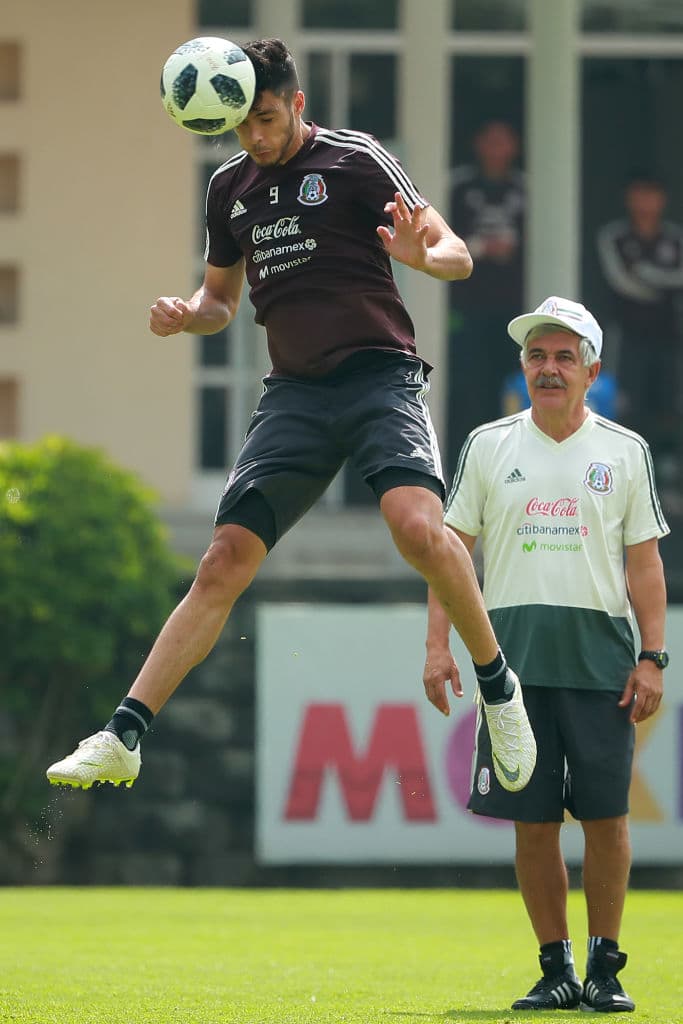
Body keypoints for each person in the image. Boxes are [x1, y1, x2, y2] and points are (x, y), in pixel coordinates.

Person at [46, 39, 535, 796]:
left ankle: (499, 690)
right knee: (221, 561)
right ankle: (124, 735)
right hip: (295, 396)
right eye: (241, 126)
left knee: (415, 529)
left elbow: (457, 253)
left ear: (297, 105)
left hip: (379, 379)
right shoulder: (228, 188)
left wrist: (419, 256)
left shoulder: (356, 159)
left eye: (266, 120)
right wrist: (189, 314)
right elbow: (220, 302)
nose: (255, 138)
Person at [424, 296, 669, 1013]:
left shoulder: (623, 452)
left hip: (599, 665)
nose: (548, 369)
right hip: (511, 675)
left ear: (591, 369)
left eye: (564, 356)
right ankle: (553, 967)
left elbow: (645, 565)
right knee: (531, 825)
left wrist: (652, 655)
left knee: (606, 821)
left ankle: (604, 967)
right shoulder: (488, 445)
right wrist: (438, 645)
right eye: (537, 355)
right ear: (522, 366)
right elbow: (448, 555)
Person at [447, 120, 526, 468]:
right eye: (490, 140)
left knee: (509, 389)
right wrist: (481, 247)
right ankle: (461, 467)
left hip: (514, 310)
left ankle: (507, 468)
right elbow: (437, 235)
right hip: (465, 307)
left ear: (515, 146)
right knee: (468, 389)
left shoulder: (526, 189)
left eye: (503, 140)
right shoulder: (457, 186)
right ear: (478, 144)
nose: (496, 148)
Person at [596, 174, 683, 482]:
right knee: (627, 403)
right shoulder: (614, 236)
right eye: (640, 195)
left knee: (668, 402)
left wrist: (647, 273)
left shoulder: (675, 238)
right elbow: (623, 282)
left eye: (653, 195)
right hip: (627, 336)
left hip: (669, 336)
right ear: (628, 198)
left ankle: (667, 472)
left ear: (664, 200)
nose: (646, 203)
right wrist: (662, 281)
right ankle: (624, 471)